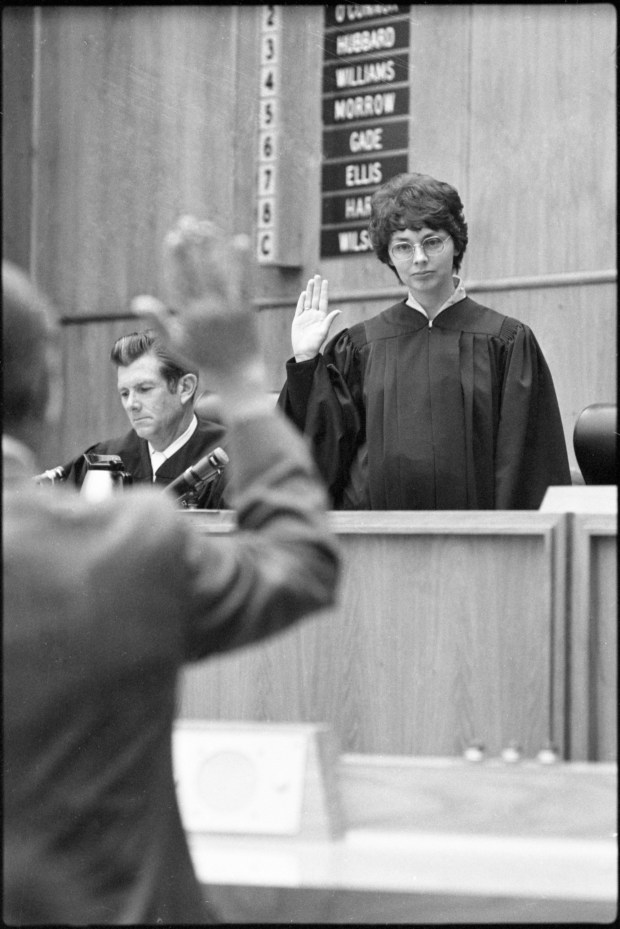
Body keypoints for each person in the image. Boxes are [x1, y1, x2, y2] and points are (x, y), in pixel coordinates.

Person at [2, 216, 340, 925]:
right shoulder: (127, 543)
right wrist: (243, 383)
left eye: (143, 390)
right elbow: (301, 562)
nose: (132, 404)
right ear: (48, 391)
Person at [278, 172, 571, 510]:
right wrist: (306, 362)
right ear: (388, 256)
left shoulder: (506, 342)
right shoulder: (360, 347)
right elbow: (321, 453)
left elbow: (526, 468)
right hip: (378, 536)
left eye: (432, 242)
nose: (419, 258)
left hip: (478, 538)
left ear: (455, 243)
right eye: (403, 246)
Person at [57, 328, 228, 508]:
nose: (131, 404)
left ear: (185, 388)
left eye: (144, 389)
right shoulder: (101, 460)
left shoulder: (231, 461)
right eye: (124, 393)